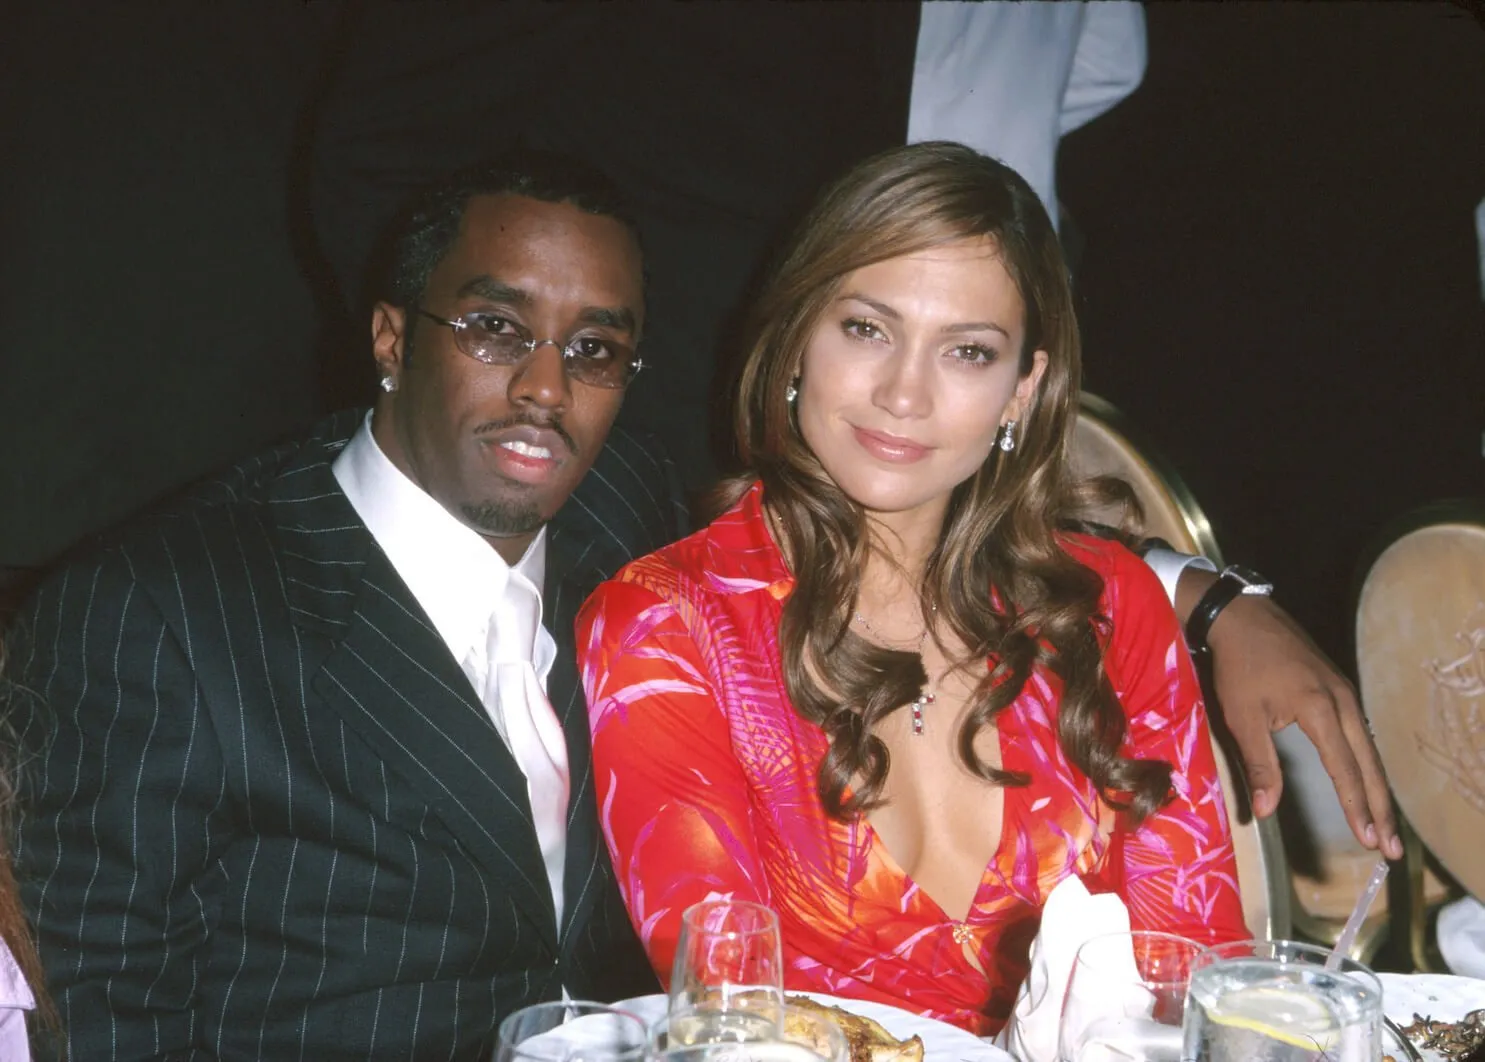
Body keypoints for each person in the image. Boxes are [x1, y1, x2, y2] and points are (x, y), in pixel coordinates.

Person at [6, 151, 675, 1060]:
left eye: (593, 349)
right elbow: (94, 1020)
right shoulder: (159, 617)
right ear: (392, 339)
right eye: (495, 328)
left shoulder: (630, 521)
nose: (546, 390)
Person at [577, 143, 1249, 1034]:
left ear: (1023, 389)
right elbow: (733, 1021)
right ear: (793, 340)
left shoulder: (1111, 605)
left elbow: (1196, 983)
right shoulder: (666, 628)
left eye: (967, 352)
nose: (903, 392)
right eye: (865, 329)